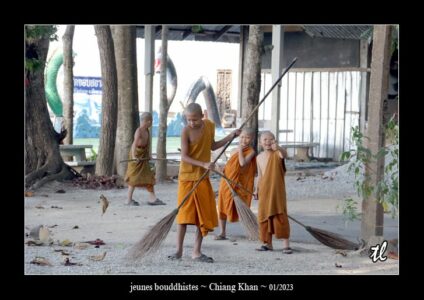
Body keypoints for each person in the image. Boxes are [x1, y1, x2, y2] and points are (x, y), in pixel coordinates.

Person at [168, 103, 240, 263]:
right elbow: (184, 157)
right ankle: (178, 251)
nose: (191, 123)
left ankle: (196, 251)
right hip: (187, 177)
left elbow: (212, 146)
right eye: (188, 120)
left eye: (194, 119)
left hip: (202, 177)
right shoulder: (185, 131)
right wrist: (203, 164)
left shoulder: (209, 126)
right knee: (184, 215)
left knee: (203, 215)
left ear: (202, 116)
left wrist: (231, 136)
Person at [215, 128, 257, 240]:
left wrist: (239, 150)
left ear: (252, 139)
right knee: (222, 205)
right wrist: (221, 168)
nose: (244, 140)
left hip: (239, 183)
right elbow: (230, 165)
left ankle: (250, 231)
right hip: (227, 181)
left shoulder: (251, 151)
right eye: (242, 137)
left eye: (247, 137)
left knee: (242, 207)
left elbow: (242, 163)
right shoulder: (233, 150)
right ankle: (222, 232)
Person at [255, 130, 292, 254]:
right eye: (264, 140)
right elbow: (260, 175)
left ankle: (286, 245)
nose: (267, 142)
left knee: (280, 213)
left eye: (271, 139)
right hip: (264, 190)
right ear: (260, 142)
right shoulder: (258, 157)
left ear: (274, 141)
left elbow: (284, 155)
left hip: (276, 189)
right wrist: (257, 189)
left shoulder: (277, 153)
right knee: (264, 215)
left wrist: (279, 148)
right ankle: (267, 243)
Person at [124, 112, 165, 206]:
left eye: (151, 121)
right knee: (133, 177)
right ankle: (128, 200)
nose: (151, 122)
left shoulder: (147, 131)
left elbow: (147, 144)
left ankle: (152, 199)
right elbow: (134, 144)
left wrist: (149, 154)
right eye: (149, 121)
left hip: (143, 156)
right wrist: (134, 157)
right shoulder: (139, 131)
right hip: (136, 155)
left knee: (149, 176)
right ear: (145, 121)